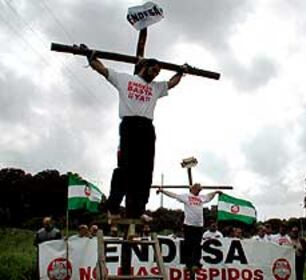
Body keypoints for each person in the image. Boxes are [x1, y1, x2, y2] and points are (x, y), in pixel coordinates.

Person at [81, 44, 187, 221]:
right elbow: (103, 70)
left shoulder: (156, 87)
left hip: (147, 128)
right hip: (130, 125)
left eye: (157, 73)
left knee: (145, 171)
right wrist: (90, 57)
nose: (155, 74)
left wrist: (181, 72)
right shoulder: (125, 80)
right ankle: (113, 207)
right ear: (144, 67)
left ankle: (137, 210)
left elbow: (172, 83)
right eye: (153, 70)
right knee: (125, 168)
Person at [157, 184, 221, 271]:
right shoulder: (186, 196)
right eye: (198, 190)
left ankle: (196, 263)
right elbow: (173, 195)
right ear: (193, 189)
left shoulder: (201, 197)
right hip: (188, 224)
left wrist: (216, 192)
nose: (199, 192)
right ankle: (188, 264)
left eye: (200, 190)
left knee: (197, 245)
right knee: (188, 244)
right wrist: (163, 191)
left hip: (199, 225)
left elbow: (209, 196)